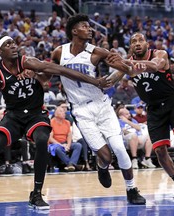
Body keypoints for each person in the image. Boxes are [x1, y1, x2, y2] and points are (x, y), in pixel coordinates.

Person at [0, 34, 110, 210]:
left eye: (14, 42)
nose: (13, 45)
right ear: (0, 52)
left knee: (41, 140)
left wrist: (94, 81)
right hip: (13, 116)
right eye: (8, 44)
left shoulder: (29, 62)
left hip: (36, 114)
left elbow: (59, 70)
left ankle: (36, 194)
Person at [51, 14, 146, 204]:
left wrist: (124, 65)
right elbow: (49, 74)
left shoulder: (98, 52)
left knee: (119, 148)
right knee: (105, 156)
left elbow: (121, 73)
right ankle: (102, 167)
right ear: (74, 31)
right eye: (85, 26)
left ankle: (132, 189)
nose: (90, 29)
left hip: (102, 105)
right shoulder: (59, 53)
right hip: (80, 111)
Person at [107, 32, 174, 197]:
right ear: (130, 47)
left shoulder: (159, 54)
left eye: (140, 40)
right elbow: (112, 79)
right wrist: (108, 70)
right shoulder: (128, 63)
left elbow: (155, 66)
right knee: (160, 151)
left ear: (147, 44)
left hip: (173, 102)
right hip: (154, 109)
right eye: (133, 41)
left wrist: (130, 64)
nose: (137, 43)